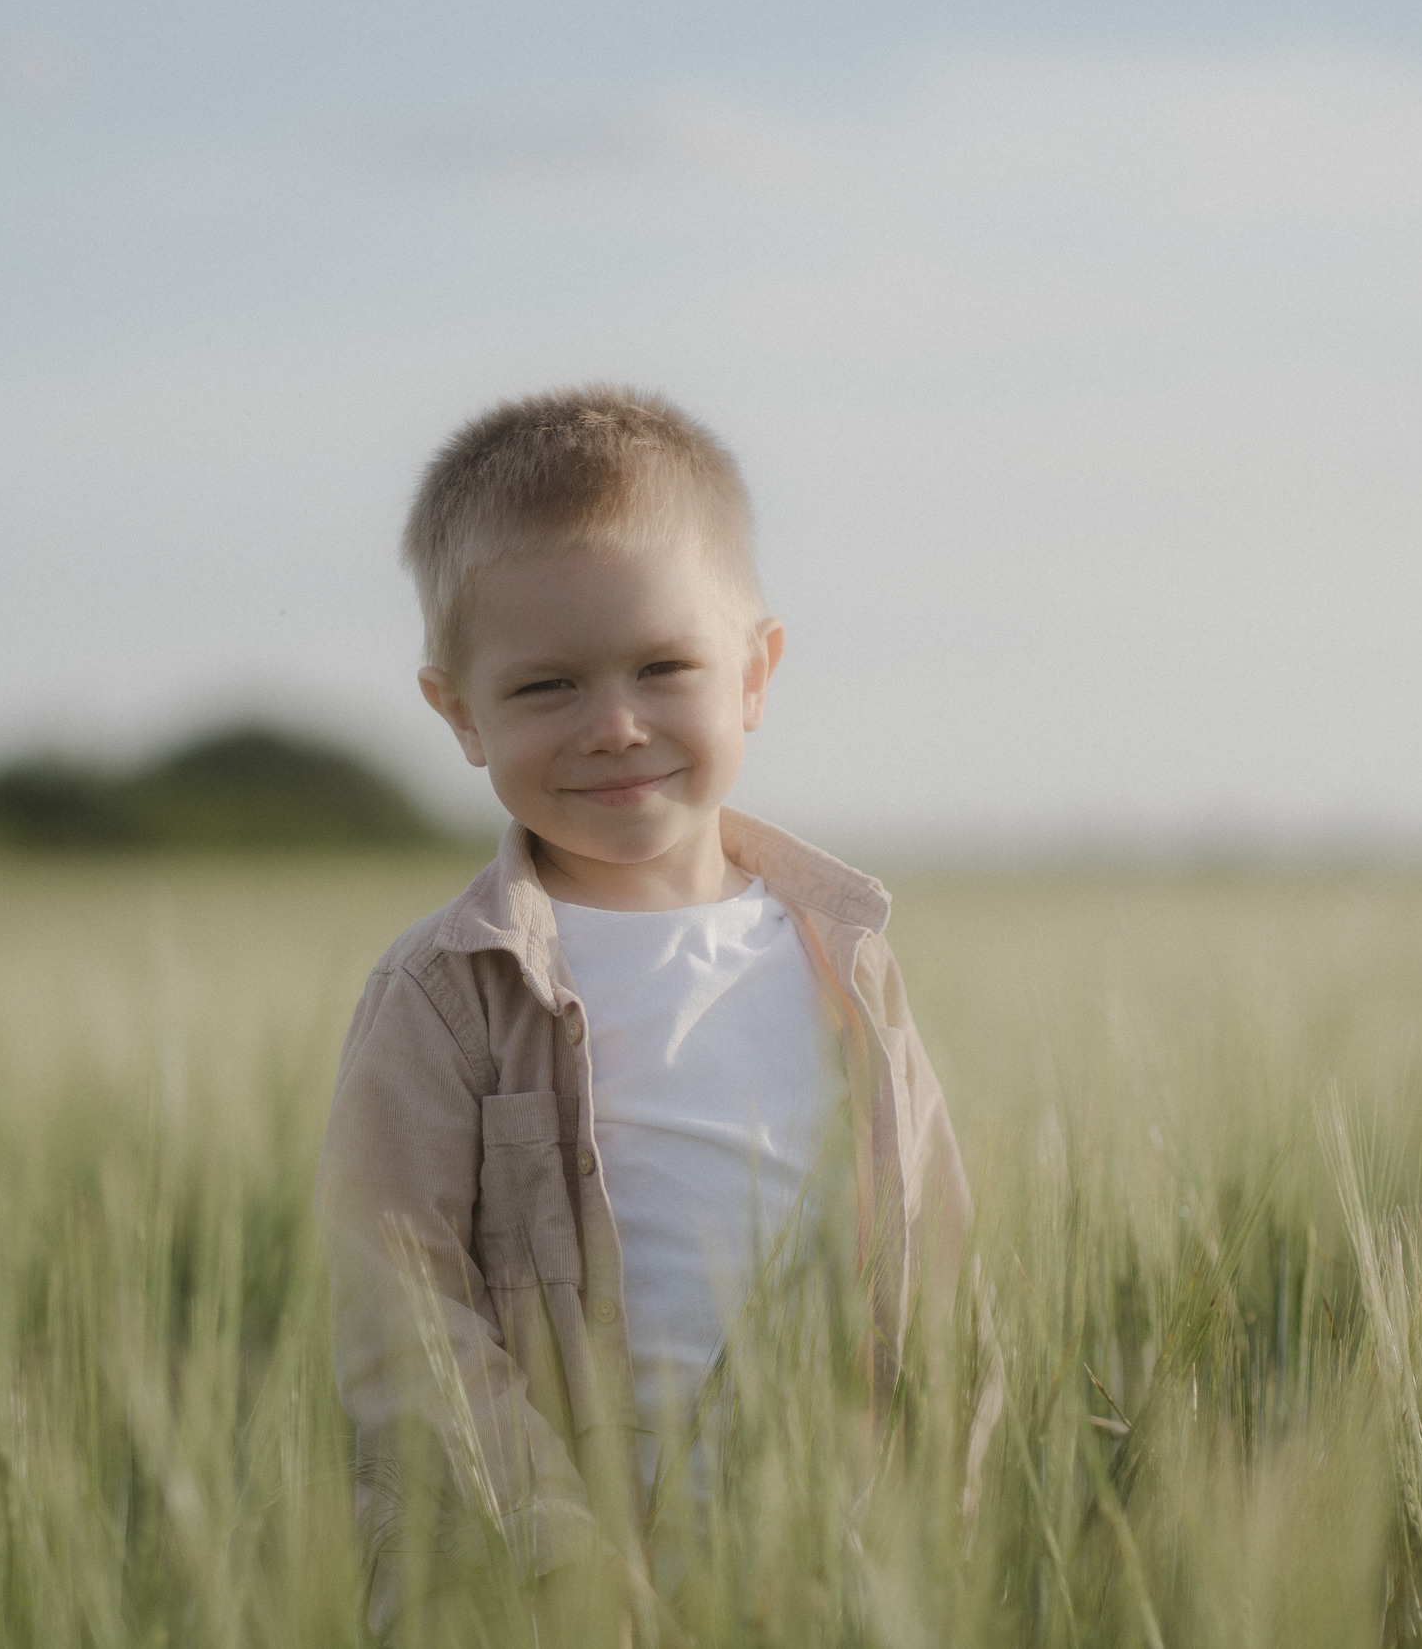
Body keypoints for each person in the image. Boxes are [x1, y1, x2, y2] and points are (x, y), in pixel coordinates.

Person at [317, 385, 978, 1645]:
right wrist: (558, 1561)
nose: (614, 725)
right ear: (457, 712)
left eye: (662, 668)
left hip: (813, 1571)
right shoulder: (446, 994)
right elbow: (395, 1303)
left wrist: (939, 1527)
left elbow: (935, 1255)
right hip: (542, 1590)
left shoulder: (845, 961)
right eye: (547, 687)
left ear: (755, 673)